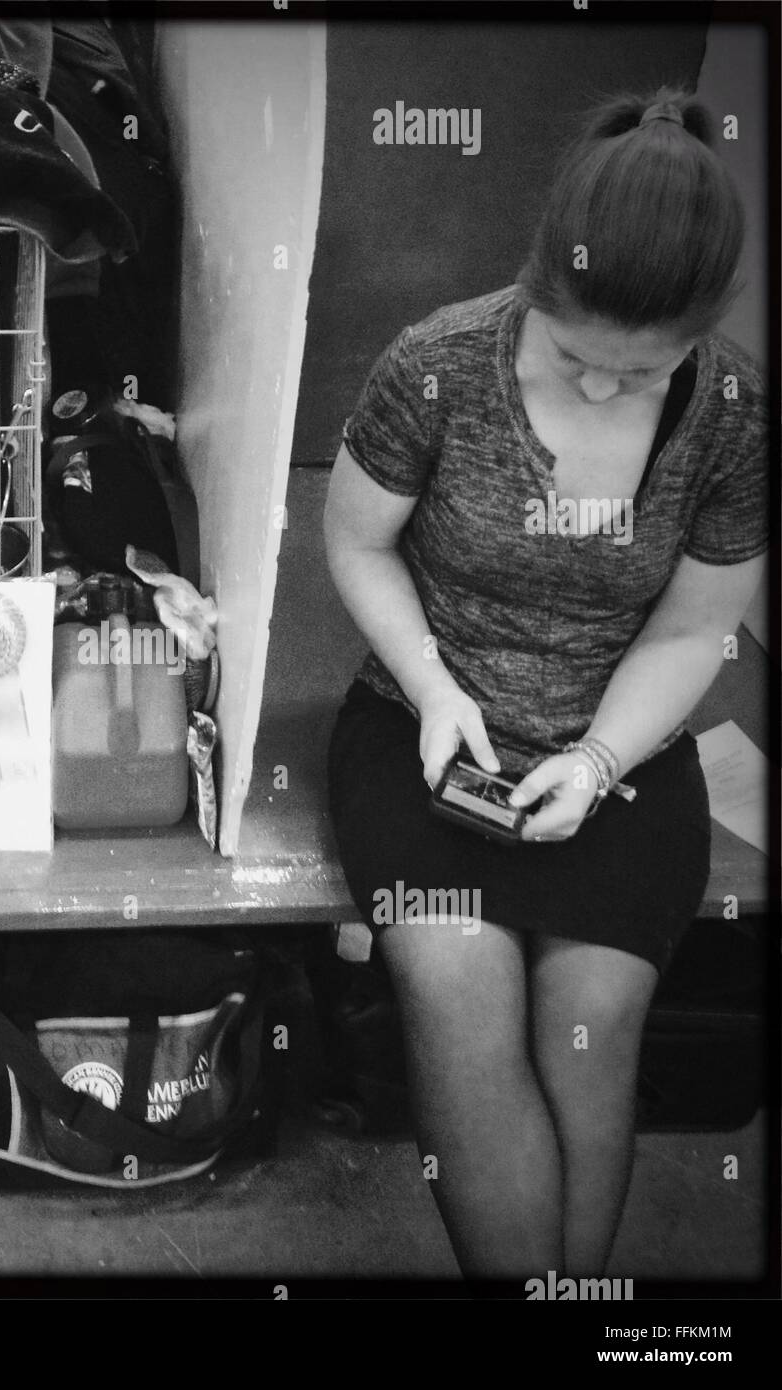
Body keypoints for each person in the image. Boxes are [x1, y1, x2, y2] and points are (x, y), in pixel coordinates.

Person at [323, 88, 768, 1283]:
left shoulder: (732, 417)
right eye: (581, 361)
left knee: (595, 1024)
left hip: (619, 747)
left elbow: (692, 632)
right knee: (456, 993)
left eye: (650, 369)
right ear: (536, 289)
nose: (612, 391)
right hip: (425, 731)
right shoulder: (437, 362)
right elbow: (356, 544)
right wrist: (434, 690)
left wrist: (598, 760)